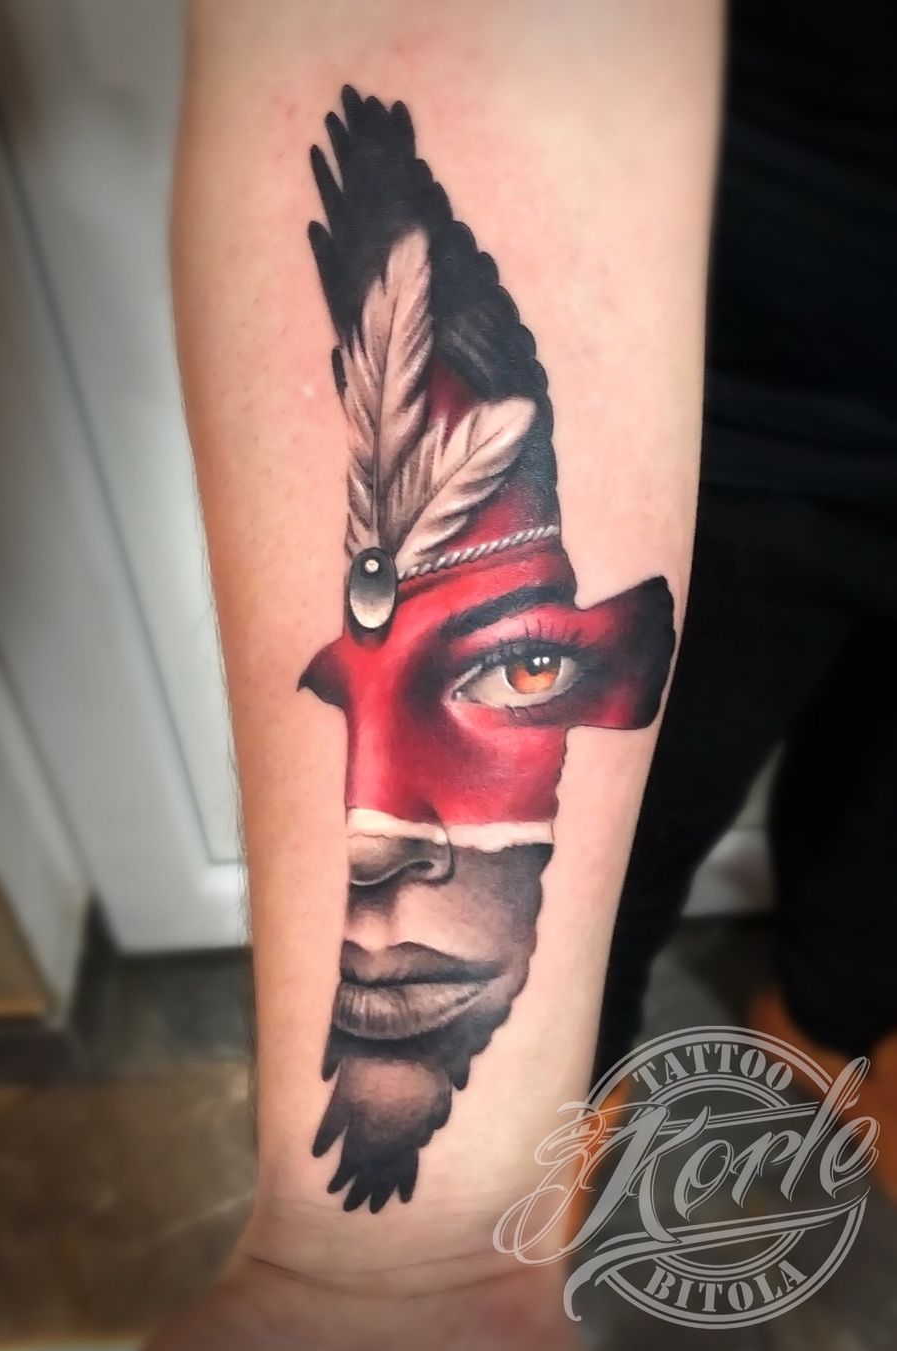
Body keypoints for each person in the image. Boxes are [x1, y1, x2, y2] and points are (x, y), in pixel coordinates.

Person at [153, 0, 720, 1345]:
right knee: (645, 877)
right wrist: (407, 1265)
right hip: (696, 389)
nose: (376, 844)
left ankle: (820, 1018)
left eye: (513, 670)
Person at [595, 0, 897, 1202]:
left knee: (885, 799)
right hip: (728, 393)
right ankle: (548, 1100)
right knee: (604, 828)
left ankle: (829, 1017)